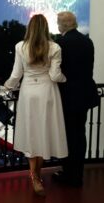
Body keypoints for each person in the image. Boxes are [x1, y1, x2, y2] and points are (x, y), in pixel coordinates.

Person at [4, 14, 67, 196]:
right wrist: (65, 79)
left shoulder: (20, 47)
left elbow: (16, 75)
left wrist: (6, 87)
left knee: (32, 133)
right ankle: (36, 175)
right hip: (48, 92)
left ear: (29, 28)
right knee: (43, 132)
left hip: (29, 93)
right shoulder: (55, 47)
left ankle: (35, 176)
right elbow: (56, 76)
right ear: (46, 28)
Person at [53, 11, 100, 187]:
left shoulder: (61, 44)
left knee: (68, 137)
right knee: (80, 135)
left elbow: (57, 73)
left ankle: (69, 175)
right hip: (85, 95)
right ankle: (77, 175)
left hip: (68, 97)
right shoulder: (87, 41)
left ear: (61, 25)